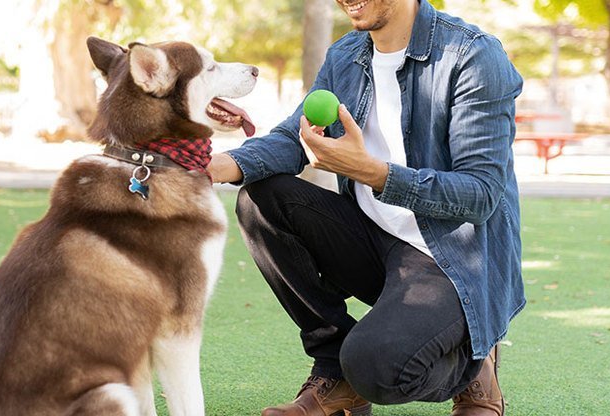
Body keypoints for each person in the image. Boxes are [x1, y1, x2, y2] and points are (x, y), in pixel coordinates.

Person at [208, 0, 524, 415]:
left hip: (454, 261)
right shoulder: (346, 55)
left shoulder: (472, 55)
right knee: (260, 197)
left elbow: (480, 193)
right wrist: (214, 167)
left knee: (375, 367)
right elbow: (293, 138)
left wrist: (375, 173)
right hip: (375, 241)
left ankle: (474, 361)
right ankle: (334, 372)